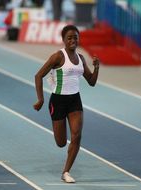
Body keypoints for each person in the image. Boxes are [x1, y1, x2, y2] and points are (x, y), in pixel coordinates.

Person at [33, 24, 99, 183]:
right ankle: (62, 147)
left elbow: (91, 81)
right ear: (63, 40)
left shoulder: (81, 58)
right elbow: (38, 75)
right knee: (61, 143)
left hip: (75, 101)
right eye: (69, 37)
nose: (73, 40)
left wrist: (96, 67)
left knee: (77, 136)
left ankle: (66, 172)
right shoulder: (58, 56)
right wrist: (40, 99)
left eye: (75, 37)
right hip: (58, 101)